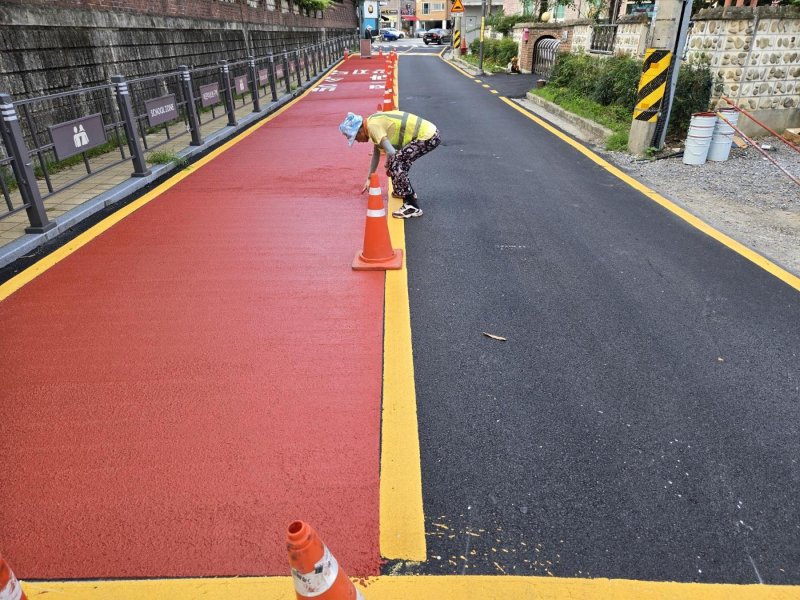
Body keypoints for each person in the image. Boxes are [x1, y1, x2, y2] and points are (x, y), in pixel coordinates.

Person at [339, 111, 441, 219]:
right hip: (430, 134)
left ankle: (412, 205)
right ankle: (404, 191)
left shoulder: (373, 127)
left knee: (396, 163)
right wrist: (369, 177)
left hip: (428, 136)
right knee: (395, 163)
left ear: (360, 131)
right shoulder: (371, 122)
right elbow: (377, 153)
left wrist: (391, 166)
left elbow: (392, 152)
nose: (358, 141)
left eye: (355, 138)